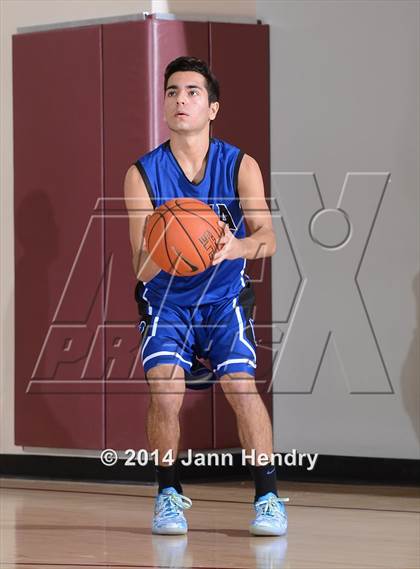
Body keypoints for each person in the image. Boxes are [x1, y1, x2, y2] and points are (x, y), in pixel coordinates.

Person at [124, 56, 288, 536]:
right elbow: (140, 264)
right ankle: (168, 494)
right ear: (165, 104)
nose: (181, 100)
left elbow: (268, 240)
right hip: (167, 301)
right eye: (173, 91)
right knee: (166, 390)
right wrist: (169, 239)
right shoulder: (142, 174)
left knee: (241, 387)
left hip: (223, 299)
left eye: (193, 92)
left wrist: (233, 245)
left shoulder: (240, 165)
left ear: (212, 107)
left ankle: (268, 497)